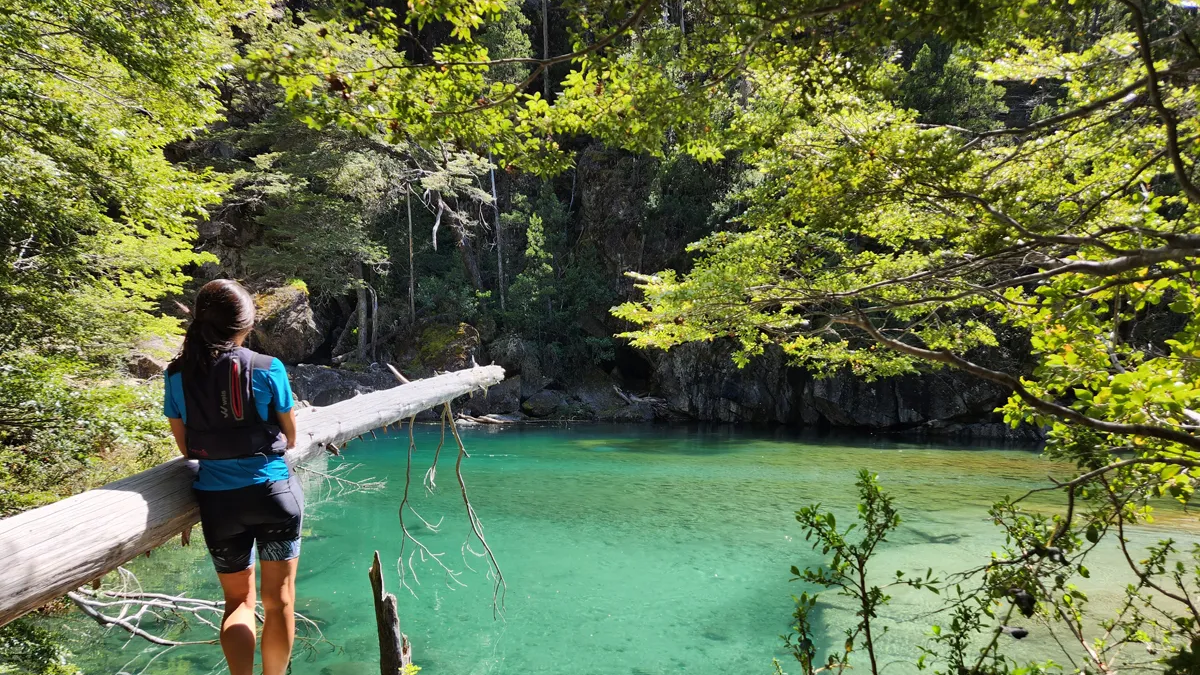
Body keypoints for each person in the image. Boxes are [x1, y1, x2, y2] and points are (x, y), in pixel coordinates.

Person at [163, 279, 303, 675]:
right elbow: (291, 436)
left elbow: (186, 448)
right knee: (279, 601)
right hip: (274, 494)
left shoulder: (177, 375)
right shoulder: (267, 367)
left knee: (238, 603)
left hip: (219, 504)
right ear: (246, 323)